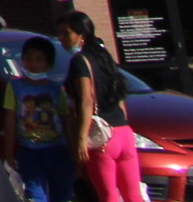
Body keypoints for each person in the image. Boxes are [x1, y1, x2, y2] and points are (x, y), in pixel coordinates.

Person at [60, 10, 142, 202]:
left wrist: (80, 139)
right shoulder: (105, 58)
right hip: (125, 133)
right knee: (134, 195)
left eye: (67, 32)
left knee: (108, 196)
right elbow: (121, 99)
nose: (62, 38)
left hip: (102, 137)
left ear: (81, 35)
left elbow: (86, 100)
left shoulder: (80, 61)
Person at [0, 35, 80, 201]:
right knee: (36, 195)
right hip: (30, 151)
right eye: (28, 59)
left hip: (58, 150)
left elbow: (65, 118)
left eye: (39, 60)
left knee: (63, 194)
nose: (33, 64)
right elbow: (10, 119)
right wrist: (9, 152)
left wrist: (73, 148)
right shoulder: (15, 86)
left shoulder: (56, 89)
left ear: (48, 65)